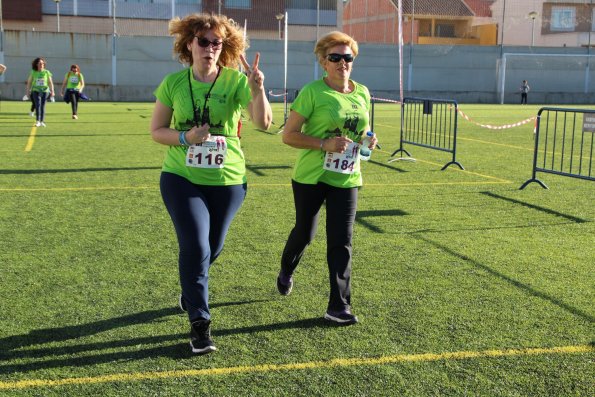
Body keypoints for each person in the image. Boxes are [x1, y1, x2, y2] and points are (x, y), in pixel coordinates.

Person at [150, 13, 272, 354]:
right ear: (189, 44)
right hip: (181, 177)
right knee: (196, 247)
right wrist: (186, 137)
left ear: (224, 47)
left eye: (216, 42)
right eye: (203, 41)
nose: (209, 48)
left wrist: (258, 88)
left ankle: (190, 287)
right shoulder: (173, 84)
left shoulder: (235, 81)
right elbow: (157, 131)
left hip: (229, 179)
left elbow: (263, 123)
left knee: (211, 248)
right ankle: (199, 324)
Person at [277, 31, 377, 325]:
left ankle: (338, 305)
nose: (342, 63)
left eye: (348, 58)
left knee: (341, 241)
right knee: (305, 234)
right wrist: (324, 144)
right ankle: (286, 270)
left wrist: (368, 141)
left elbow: (363, 131)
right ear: (323, 61)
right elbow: (289, 136)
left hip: (346, 178)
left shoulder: (362, 93)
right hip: (311, 176)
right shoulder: (312, 92)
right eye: (335, 58)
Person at [25, 57, 54, 127]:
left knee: (42, 106)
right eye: (40, 63)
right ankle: (38, 121)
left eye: (42, 63)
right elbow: (29, 82)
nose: (41, 64)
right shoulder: (33, 72)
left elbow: (50, 82)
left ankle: (42, 121)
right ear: (36, 64)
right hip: (35, 90)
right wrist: (27, 92)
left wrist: (52, 91)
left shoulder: (47, 72)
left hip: (45, 91)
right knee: (38, 105)